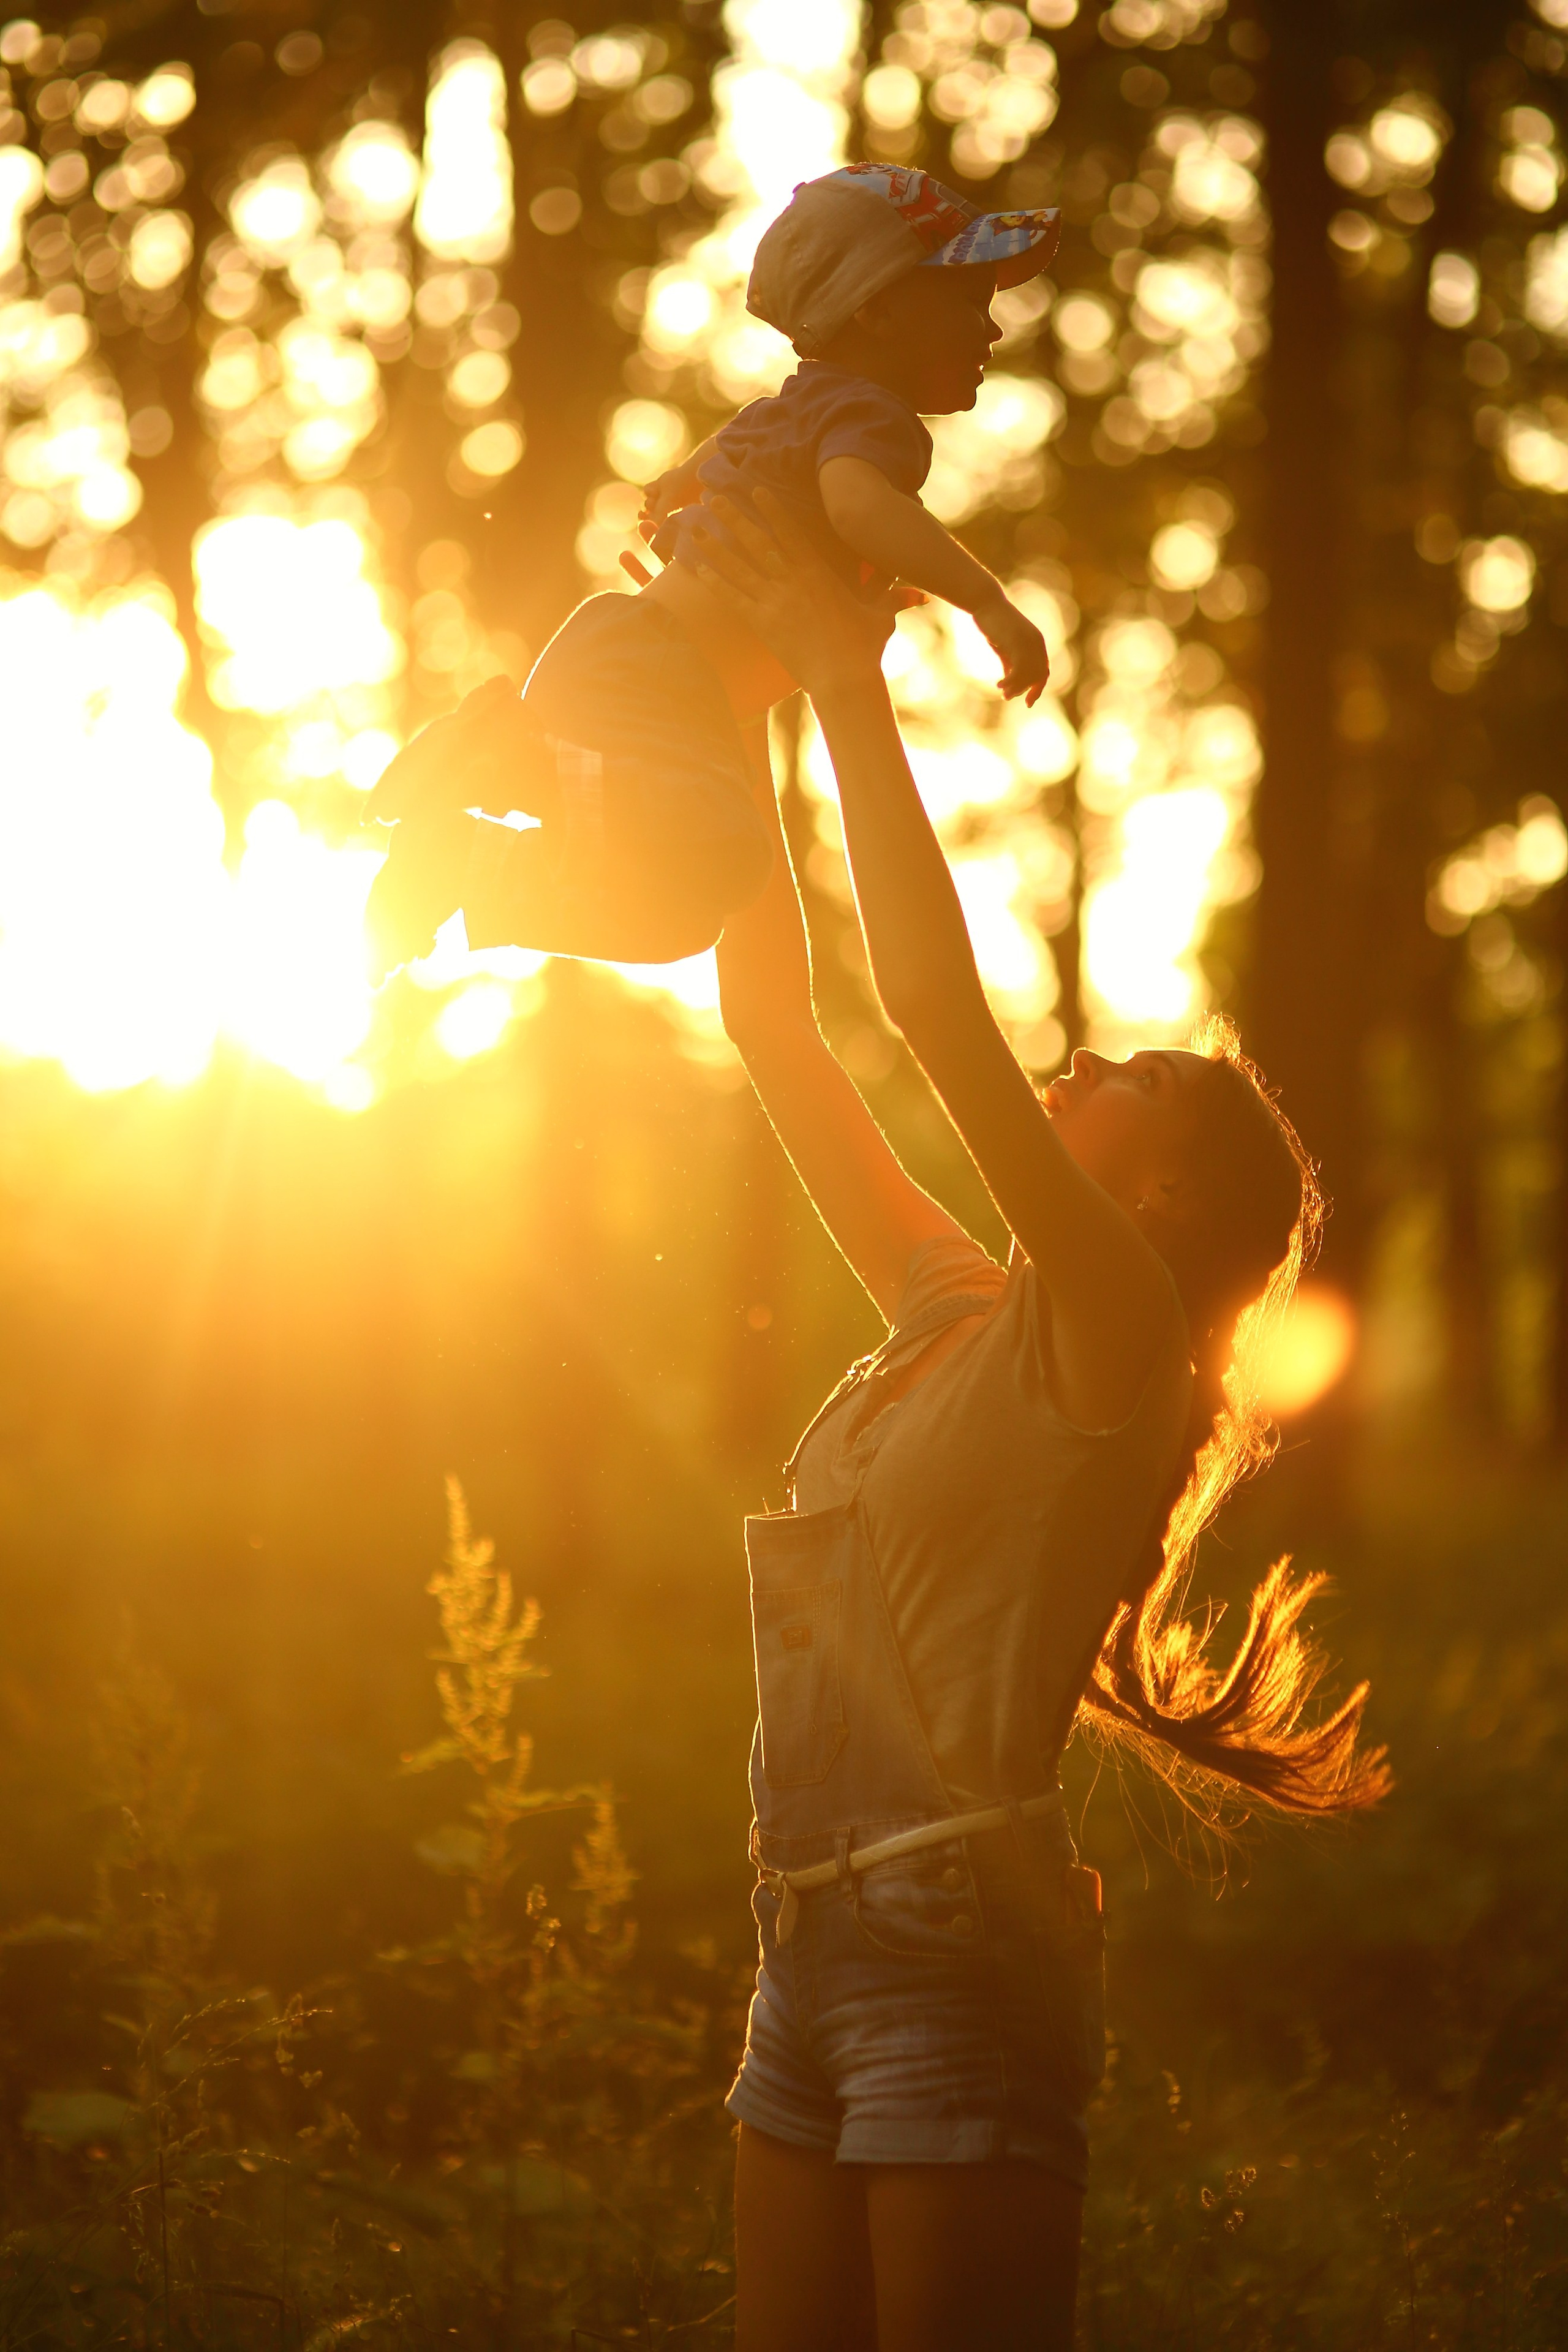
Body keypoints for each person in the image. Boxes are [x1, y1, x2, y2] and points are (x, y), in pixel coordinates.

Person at [683, 493, 1387, 2351]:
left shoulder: (1117, 1329)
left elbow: (929, 1009)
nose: (1074, 1068)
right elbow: (775, 1014)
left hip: (953, 1954)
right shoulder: (958, 1312)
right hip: (803, 1947)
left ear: (1162, 1211)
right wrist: (743, 670)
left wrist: (848, 678)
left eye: (1121, 1082)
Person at [362, 165, 1059, 983]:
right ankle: (515, 763)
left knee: (683, 913)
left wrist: (676, 488)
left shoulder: (803, 405)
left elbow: (724, 449)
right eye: (968, 300)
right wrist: (983, 598)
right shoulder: (871, 421)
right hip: (648, 680)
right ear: (875, 308)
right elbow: (859, 507)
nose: (992, 330)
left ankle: (471, 863)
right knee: (726, 852)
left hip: (631, 669)